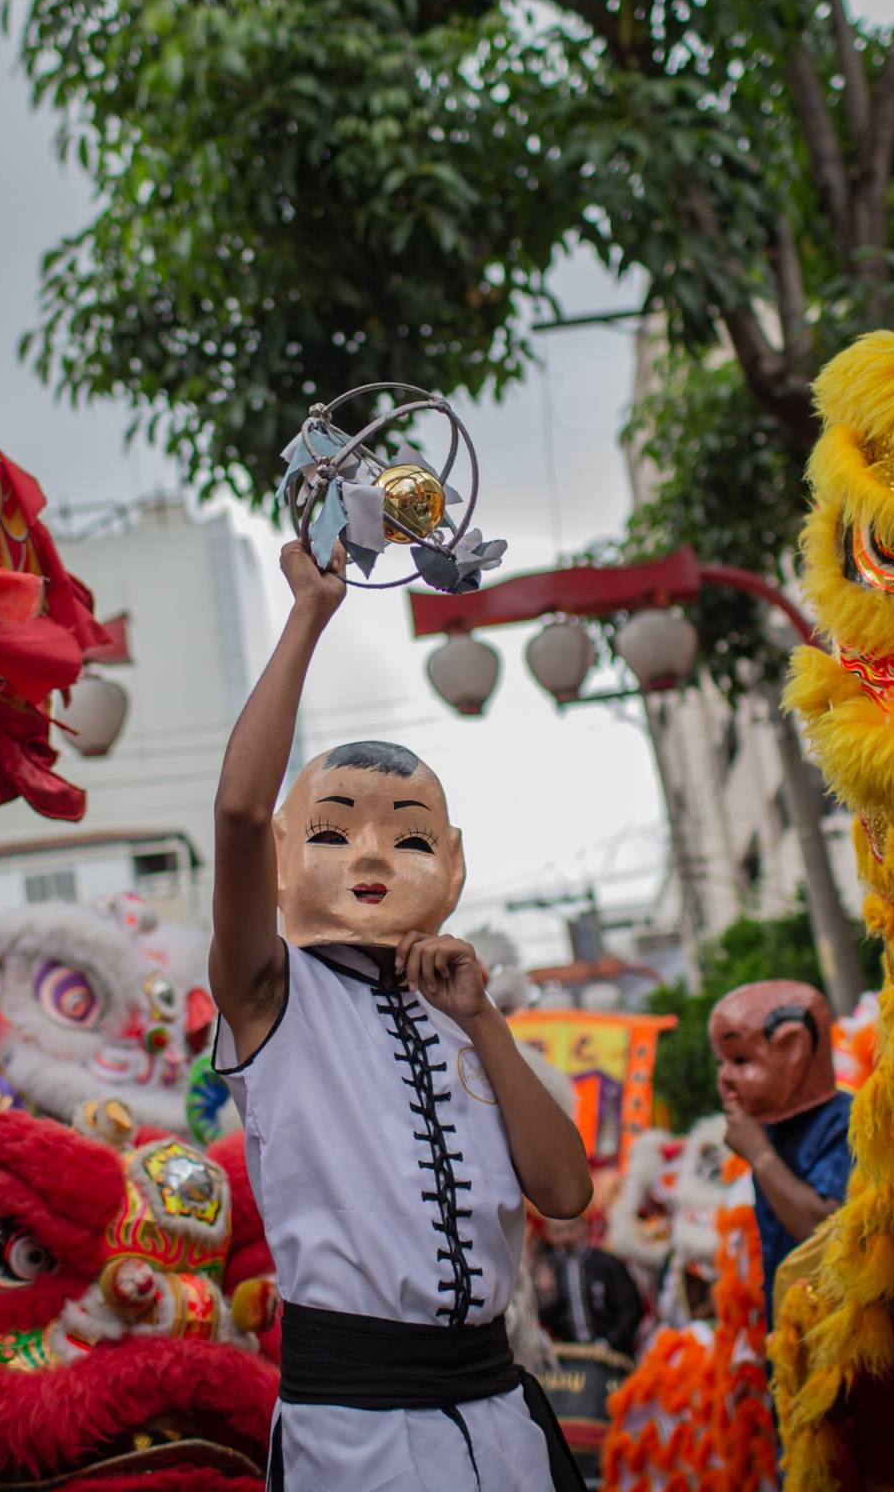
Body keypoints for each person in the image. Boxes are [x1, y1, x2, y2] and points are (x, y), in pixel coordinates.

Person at [208, 540, 595, 1491]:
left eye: (409, 836)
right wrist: (309, 614)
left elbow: (568, 1192)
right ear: (291, 858)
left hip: (502, 1413)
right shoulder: (275, 997)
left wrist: (485, 1020)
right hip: (356, 1432)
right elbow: (236, 812)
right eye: (334, 831)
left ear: (452, 868)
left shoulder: (469, 1019)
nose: (372, 858)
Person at [711, 979, 854, 1318]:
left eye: (741, 1060)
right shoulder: (773, 1127)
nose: (725, 1078)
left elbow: (822, 1234)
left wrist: (760, 1155)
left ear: (795, 1050)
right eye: (722, 1062)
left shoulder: (844, 1123)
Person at [533, 1214, 645, 1358]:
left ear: (584, 1227)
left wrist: (609, 1342)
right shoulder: (547, 1268)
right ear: (548, 1234)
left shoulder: (607, 1263)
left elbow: (631, 1309)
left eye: (571, 1228)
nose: (566, 1237)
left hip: (612, 1354)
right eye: (558, 1232)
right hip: (567, 1358)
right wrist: (546, 1295)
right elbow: (540, 1322)